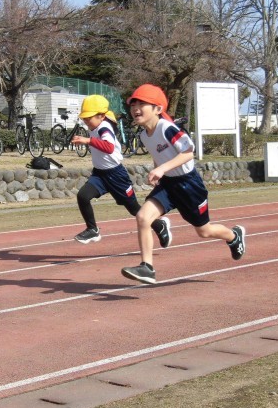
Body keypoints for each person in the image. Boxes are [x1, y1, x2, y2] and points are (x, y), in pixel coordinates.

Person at [121, 84, 246, 284]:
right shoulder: (144, 135)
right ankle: (147, 267)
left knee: (204, 231)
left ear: (158, 109)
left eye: (141, 104)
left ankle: (233, 236)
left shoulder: (167, 128)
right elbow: (159, 155)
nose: (135, 108)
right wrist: (158, 172)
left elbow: (188, 152)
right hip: (168, 185)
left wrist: (162, 169)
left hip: (189, 185)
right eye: (133, 104)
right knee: (143, 217)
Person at [71, 94, 171, 248]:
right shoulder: (95, 126)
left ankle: (159, 226)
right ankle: (92, 229)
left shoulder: (104, 127)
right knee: (83, 196)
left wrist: (88, 140)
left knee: (134, 209)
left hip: (116, 175)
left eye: (89, 117)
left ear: (101, 116)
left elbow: (109, 147)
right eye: (84, 118)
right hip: (100, 174)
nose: (85, 121)